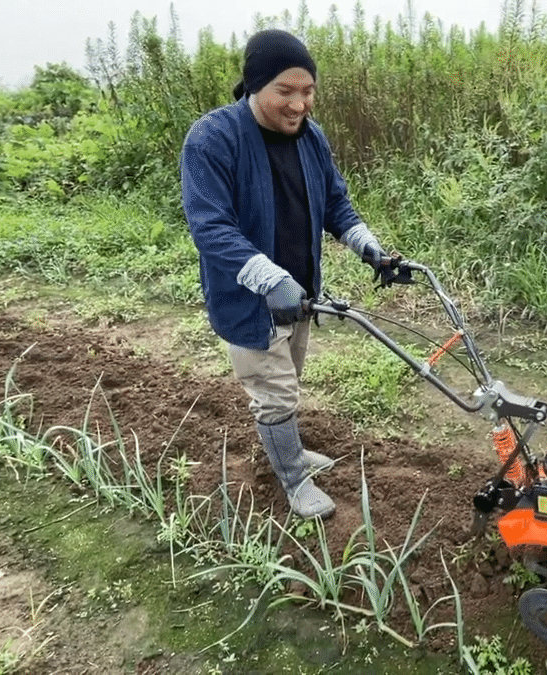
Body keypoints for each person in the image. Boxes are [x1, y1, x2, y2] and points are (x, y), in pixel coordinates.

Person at [179, 29, 393, 520]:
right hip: (250, 298)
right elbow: (209, 225)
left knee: (288, 378)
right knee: (274, 393)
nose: (299, 104)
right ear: (256, 86)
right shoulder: (213, 138)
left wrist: (368, 246)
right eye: (286, 91)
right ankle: (293, 480)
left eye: (308, 91)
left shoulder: (310, 138)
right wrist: (267, 276)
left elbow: (334, 201)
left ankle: (287, 450)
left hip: (299, 294)